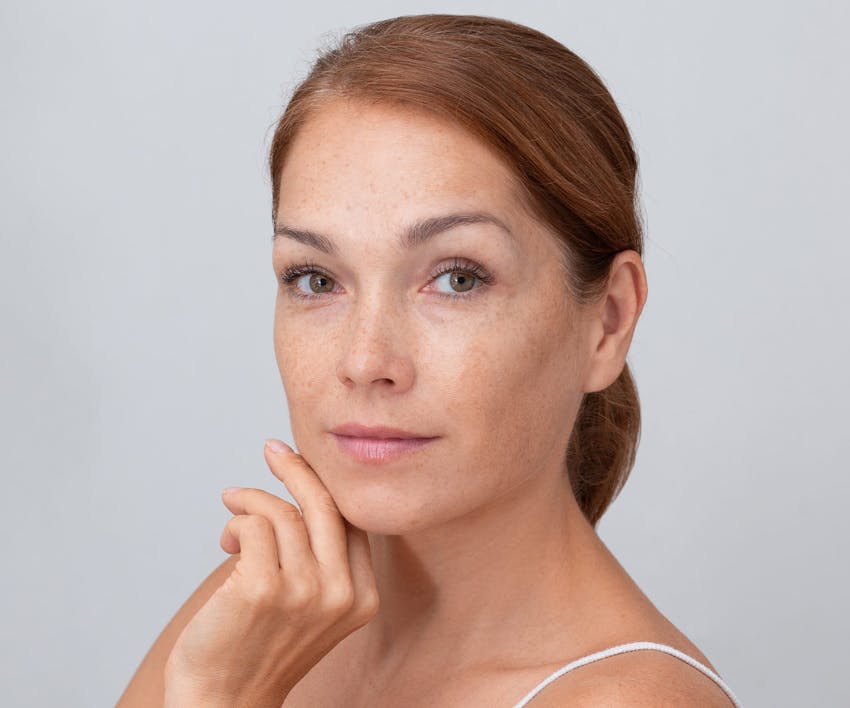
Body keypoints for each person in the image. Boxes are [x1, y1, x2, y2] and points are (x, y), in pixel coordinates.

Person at [118, 14, 741, 707]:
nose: (364, 360)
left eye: (458, 278)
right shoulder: (265, 617)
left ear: (608, 322)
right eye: (316, 279)